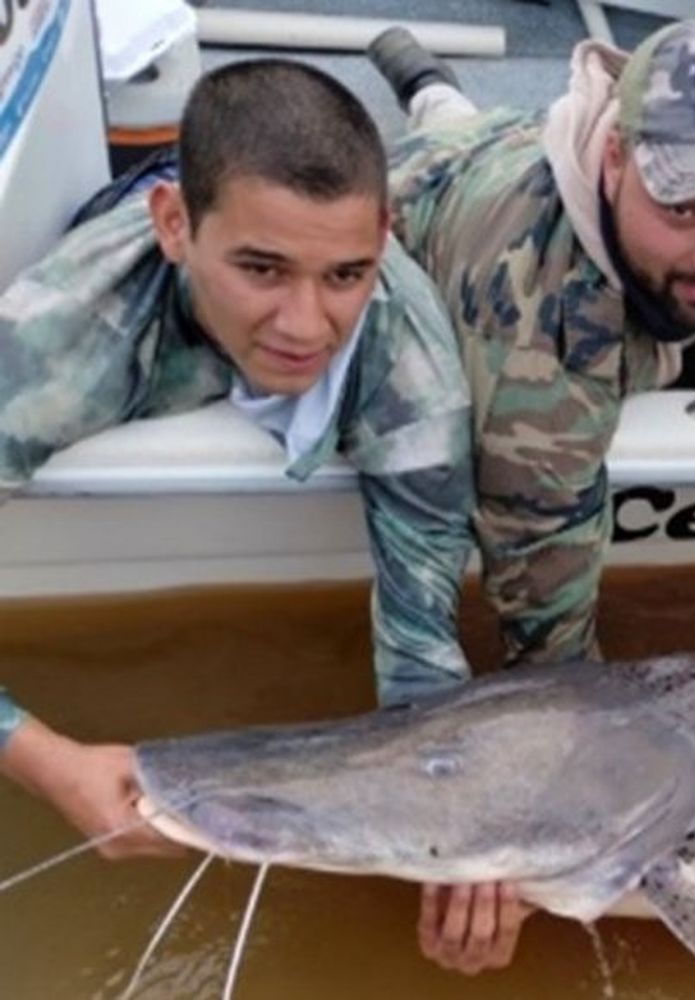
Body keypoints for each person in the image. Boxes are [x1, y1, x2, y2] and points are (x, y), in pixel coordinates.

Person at [365, 20, 695, 973]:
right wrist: (534, 858)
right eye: (684, 206)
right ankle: (420, 82)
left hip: (500, 138)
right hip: (438, 201)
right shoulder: (550, 360)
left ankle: (419, 71)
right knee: (432, 140)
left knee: (452, 113)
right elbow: (552, 652)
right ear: (616, 159)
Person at [0, 58, 474, 891]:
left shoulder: (415, 377)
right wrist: (44, 759)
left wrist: (458, 860)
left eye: (346, 276)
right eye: (261, 269)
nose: (305, 325)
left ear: (383, 240)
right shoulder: (55, 345)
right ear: (175, 224)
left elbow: (422, 657)